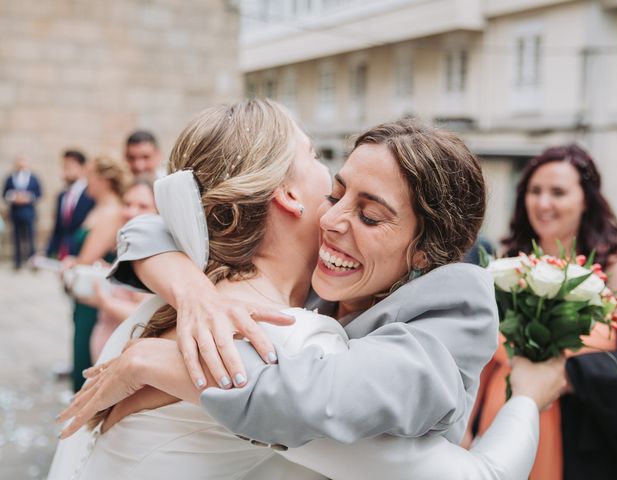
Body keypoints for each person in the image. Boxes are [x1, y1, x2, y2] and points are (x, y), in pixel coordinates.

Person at [54, 101, 564, 479]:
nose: (337, 211)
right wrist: (530, 398)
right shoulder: (283, 338)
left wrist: (163, 342)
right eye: (325, 169)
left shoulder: (174, 302)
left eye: (368, 213)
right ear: (287, 194)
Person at [469, 144, 617, 480]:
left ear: (586, 199)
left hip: (578, 439)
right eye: (535, 191)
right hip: (499, 418)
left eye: (558, 192)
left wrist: (575, 376)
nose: (543, 203)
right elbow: (481, 355)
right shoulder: (509, 264)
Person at [63, 156, 131, 392]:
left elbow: (88, 258)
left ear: (103, 180)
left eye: (90, 176)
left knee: (86, 347)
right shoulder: (99, 208)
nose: (86, 182)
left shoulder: (111, 211)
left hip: (96, 295)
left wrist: (72, 263)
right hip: (86, 291)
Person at [82, 177, 157, 362]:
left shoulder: (152, 259)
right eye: (127, 204)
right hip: (105, 348)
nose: (131, 212)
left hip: (123, 355)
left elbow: (147, 317)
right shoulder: (130, 247)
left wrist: (105, 302)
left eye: (142, 206)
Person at [46, 150, 95, 260]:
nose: (65, 170)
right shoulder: (61, 196)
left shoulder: (91, 194)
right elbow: (57, 229)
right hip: (63, 256)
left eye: (70, 166)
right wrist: (47, 253)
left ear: (82, 168)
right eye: (64, 166)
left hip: (84, 255)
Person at [3, 154, 42, 268]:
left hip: (29, 212)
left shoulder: (33, 178)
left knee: (31, 237)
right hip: (15, 212)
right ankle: (18, 262)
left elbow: (39, 193)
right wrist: (14, 197)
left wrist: (28, 197)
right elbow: (5, 193)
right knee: (16, 237)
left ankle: (32, 261)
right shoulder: (10, 178)